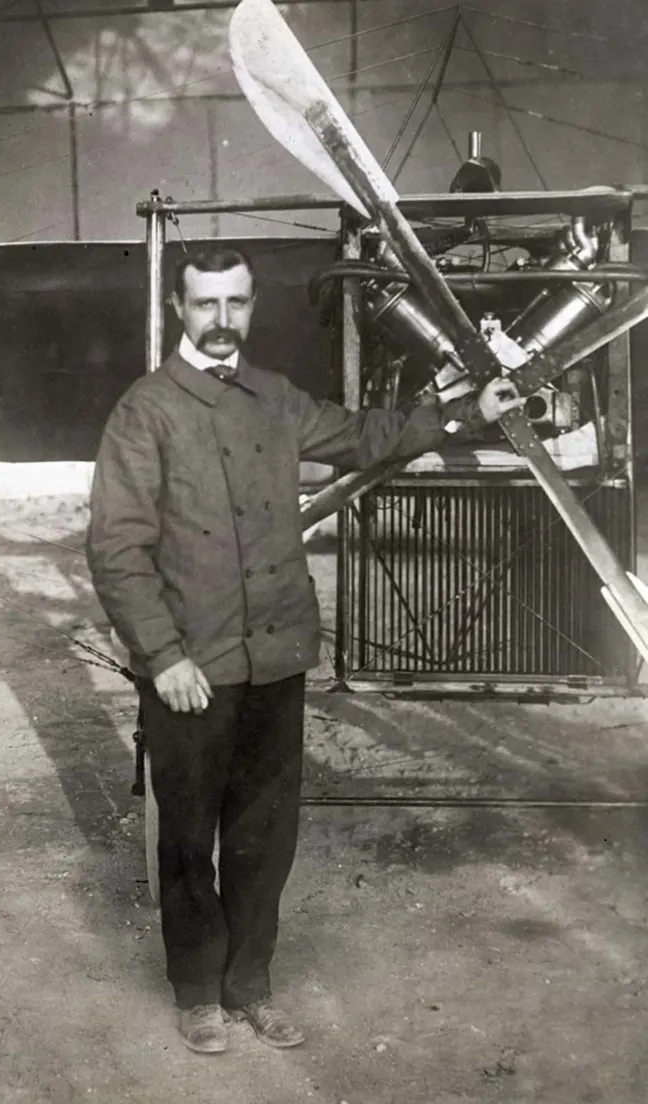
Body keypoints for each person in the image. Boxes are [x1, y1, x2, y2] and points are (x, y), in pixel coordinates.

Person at [86, 246, 522, 1055]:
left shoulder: (273, 399)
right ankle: (197, 993)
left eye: (237, 304)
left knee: (264, 834)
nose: (223, 321)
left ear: (253, 307)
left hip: (277, 662)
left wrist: (469, 411)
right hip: (193, 673)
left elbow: (366, 437)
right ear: (180, 310)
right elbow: (116, 549)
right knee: (187, 839)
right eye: (206, 304)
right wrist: (165, 656)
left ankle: (250, 985)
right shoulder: (145, 412)